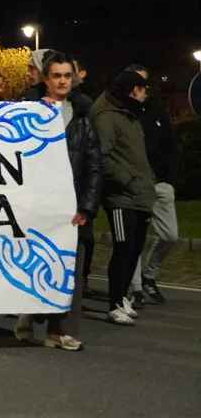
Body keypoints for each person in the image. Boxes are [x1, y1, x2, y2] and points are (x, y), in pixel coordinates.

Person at [12, 52, 100, 351]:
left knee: (71, 266)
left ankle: (60, 331)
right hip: (36, 201)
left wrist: (87, 206)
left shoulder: (83, 114)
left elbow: (93, 163)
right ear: (46, 79)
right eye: (56, 76)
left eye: (67, 76)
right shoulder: (29, 108)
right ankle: (26, 315)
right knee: (34, 259)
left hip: (71, 204)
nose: (63, 81)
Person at [92, 70, 157, 326]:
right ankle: (115, 304)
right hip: (121, 197)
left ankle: (122, 297)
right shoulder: (107, 116)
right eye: (143, 90)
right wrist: (128, 180)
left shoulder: (129, 115)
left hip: (139, 195)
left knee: (134, 249)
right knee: (123, 249)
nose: (145, 95)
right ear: (134, 91)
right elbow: (103, 157)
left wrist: (146, 180)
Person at [125, 64, 178, 308]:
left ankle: (149, 275)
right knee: (135, 236)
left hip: (160, 182)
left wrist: (168, 178)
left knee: (170, 235)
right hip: (135, 184)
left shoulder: (157, 112)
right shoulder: (123, 112)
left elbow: (169, 146)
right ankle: (136, 288)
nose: (139, 88)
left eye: (142, 83)